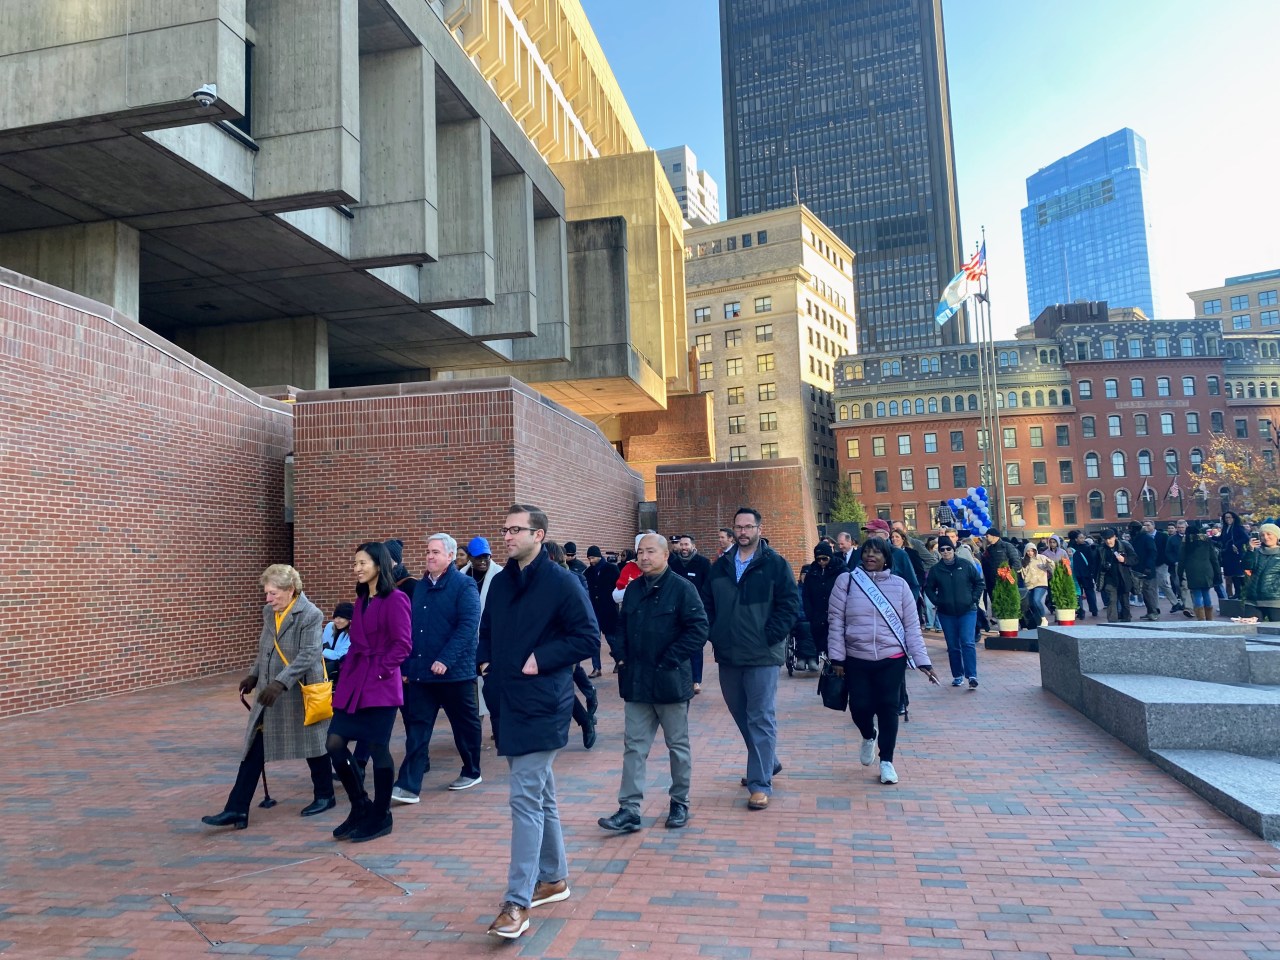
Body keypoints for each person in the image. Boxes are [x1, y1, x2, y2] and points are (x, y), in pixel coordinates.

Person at [478, 505, 599, 940]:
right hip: (508, 701)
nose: (507, 536)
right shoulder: (501, 582)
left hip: (545, 704)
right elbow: (486, 629)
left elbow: (586, 636)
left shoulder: (562, 583)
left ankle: (517, 903)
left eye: (515, 529)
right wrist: (486, 662)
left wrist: (540, 659)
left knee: (524, 800)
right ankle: (554, 878)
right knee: (540, 794)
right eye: (504, 528)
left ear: (538, 534)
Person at [202, 565, 333, 830]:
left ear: (290, 590)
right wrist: (253, 675)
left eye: (273, 593)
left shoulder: (309, 614)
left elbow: (308, 654)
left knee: (315, 747)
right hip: (270, 693)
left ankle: (325, 795)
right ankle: (236, 809)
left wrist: (280, 682)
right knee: (254, 748)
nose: (268, 599)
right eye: (267, 593)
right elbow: (266, 648)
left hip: (299, 691)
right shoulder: (269, 612)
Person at [597, 534, 708, 834]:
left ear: (665, 555)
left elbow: (699, 630)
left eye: (650, 552)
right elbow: (619, 628)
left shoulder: (683, 589)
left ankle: (679, 802)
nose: (644, 557)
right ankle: (629, 809)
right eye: (639, 552)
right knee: (634, 747)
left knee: (677, 746)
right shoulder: (632, 590)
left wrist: (671, 658)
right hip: (636, 682)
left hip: (670, 681)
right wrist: (620, 657)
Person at [702, 507, 800, 812]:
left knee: (760, 715)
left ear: (759, 528)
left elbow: (790, 604)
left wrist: (771, 635)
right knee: (740, 712)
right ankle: (768, 760)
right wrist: (715, 633)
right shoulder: (719, 567)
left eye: (748, 526)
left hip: (762, 654)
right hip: (729, 652)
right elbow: (705, 604)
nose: (743, 532)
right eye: (738, 527)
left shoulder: (775, 565)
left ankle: (759, 783)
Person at [827, 538, 937, 785]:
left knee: (889, 707)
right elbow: (836, 622)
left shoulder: (899, 586)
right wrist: (837, 657)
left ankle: (887, 760)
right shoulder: (846, 582)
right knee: (860, 707)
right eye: (867, 551)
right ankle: (868, 735)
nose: (870, 556)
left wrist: (923, 661)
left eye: (877, 552)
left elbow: (911, 627)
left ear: (887, 557)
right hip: (856, 657)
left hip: (891, 657)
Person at [327, 542, 412, 843]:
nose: (357, 568)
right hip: (354, 681)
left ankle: (381, 814)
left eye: (363, 562)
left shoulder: (396, 599)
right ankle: (360, 805)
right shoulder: (361, 600)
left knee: (378, 749)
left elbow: (403, 644)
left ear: (380, 564)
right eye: (355, 563)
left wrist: (379, 671)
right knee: (335, 743)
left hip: (380, 684)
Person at [393, 533, 483, 805]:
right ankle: (408, 785)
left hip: (455, 673)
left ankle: (471, 770)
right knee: (418, 728)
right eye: (427, 552)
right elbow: (410, 629)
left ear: (451, 556)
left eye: (435, 552)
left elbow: (468, 627)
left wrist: (446, 659)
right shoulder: (419, 587)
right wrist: (407, 665)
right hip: (422, 673)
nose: (430, 556)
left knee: (464, 725)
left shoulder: (464, 585)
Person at [546, 540, 599, 749]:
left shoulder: (573, 579)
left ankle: (585, 720)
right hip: (547, 642)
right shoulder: (537, 579)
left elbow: (581, 612)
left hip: (566, 641)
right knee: (564, 683)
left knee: (563, 686)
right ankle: (586, 715)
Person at [923, 538, 984, 688]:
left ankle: (972, 675)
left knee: (967, 642)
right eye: (942, 549)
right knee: (953, 645)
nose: (945, 552)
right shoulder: (936, 570)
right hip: (946, 612)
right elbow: (929, 587)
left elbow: (979, 582)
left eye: (948, 549)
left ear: (953, 550)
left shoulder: (965, 565)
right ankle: (957, 675)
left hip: (967, 610)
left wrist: (973, 599)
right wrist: (937, 601)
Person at [668, 535, 712, 692]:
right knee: (676, 644)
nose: (683, 547)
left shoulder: (703, 564)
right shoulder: (672, 563)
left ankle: (696, 681)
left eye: (686, 544)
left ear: (693, 546)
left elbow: (709, 588)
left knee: (695, 646)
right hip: (675, 612)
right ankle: (680, 678)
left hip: (696, 613)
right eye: (681, 544)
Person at [800, 542, 843, 671]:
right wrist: (811, 615)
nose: (821, 562)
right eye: (818, 559)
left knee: (836, 651)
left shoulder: (841, 571)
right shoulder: (812, 573)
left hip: (837, 617)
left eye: (825, 558)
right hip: (818, 617)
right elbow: (806, 595)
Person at [584, 545, 621, 675]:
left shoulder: (611, 569)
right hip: (593, 610)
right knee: (594, 639)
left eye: (593, 557)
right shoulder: (588, 572)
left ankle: (618, 660)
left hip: (608, 609)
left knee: (611, 638)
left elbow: (618, 586)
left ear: (599, 556)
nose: (591, 560)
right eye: (589, 558)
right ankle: (596, 667)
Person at [1179, 521, 1222, 620]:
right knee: (1206, 593)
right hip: (1207, 569)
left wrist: (1180, 574)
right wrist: (1217, 572)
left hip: (1192, 571)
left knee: (1197, 594)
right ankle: (1209, 617)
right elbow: (1214, 558)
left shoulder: (1185, 543)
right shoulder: (1206, 541)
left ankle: (1201, 618)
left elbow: (1181, 560)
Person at [1096, 529, 1136, 623]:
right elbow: (1096, 565)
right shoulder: (1101, 549)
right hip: (1109, 578)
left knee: (1124, 601)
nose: (1108, 541)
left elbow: (1135, 559)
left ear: (1114, 537)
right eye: (1105, 539)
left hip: (1123, 577)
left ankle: (1126, 619)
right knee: (1111, 600)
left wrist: (1124, 560)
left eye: (1109, 538)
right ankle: (1112, 621)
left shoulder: (1124, 545)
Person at [1243, 522, 1280, 621]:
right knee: (1251, 632)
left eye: (1269, 534)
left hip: (1275, 600)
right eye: (1262, 535)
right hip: (1253, 600)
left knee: (1276, 633)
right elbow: (1247, 566)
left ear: (1277, 536)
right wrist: (1250, 550)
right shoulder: (1256, 552)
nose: (1266, 537)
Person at [981, 529, 1022, 608]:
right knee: (996, 604)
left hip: (1006, 580)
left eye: (987, 536)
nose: (986, 538)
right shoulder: (988, 549)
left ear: (994, 536)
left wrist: (1005, 573)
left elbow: (1017, 563)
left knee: (1008, 604)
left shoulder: (1007, 546)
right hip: (991, 582)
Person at [1128, 521, 1161, 620]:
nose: (1129, 531)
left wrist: (1148, 567)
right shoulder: (1138, 538)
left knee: (1149, 591)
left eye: (1131, 529)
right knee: (1145, 592)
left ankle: (1154, 612)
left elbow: (1152, 553)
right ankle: (1150, 611)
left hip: (1147, 570)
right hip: (1139, 569)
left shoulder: (1146, 538)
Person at [1066, 530, 1099, 620]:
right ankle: (1080, 610)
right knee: (1078, 592)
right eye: (1080, 538)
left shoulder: (1087, 547)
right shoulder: (1072, 547)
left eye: (1083, 537)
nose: (1083, 539)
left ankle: (1093, 609)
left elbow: (1092, 561)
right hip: (1076, 573)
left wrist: (1091, 572)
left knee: (1088, 591)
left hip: (1086, 573)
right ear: (1076, 539)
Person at [1020, 543, 1055, 627]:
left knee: (1036, 600)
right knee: (1032, 604)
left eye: (1032, 550)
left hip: (1041, 583)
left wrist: (1048, 563)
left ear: (1035, 550)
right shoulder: (1023, 560)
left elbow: (1051, 566)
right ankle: (1037, 621)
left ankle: (1043, 618)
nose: (1030, 553)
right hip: (1029, 584)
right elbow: (1022, 573)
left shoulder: (1041, 558)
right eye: (1028, 551)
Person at [321, 601, 353, 687]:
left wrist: (322, 651)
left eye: (340, 618)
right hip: (324, 662)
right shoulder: (329, 626)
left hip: (340, 667)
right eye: (335, 617)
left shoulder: (352, 633)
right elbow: (321, 643)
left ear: (349, 619)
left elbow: (340, 655)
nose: (336, 621)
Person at [1219, 511, 1250, 599]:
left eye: (1229, 517)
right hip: (1228, 554)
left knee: (1239, 574)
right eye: (1226, 518)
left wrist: (1236, 544)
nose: (1228, 519)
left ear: (1234, 518)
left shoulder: (1237, 527)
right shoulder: (1225, 528)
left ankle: (1243, 592)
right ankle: (1237, 592)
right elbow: (1222, 538)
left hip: (1236, 554)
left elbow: (1246, 538)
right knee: (1233, 575)